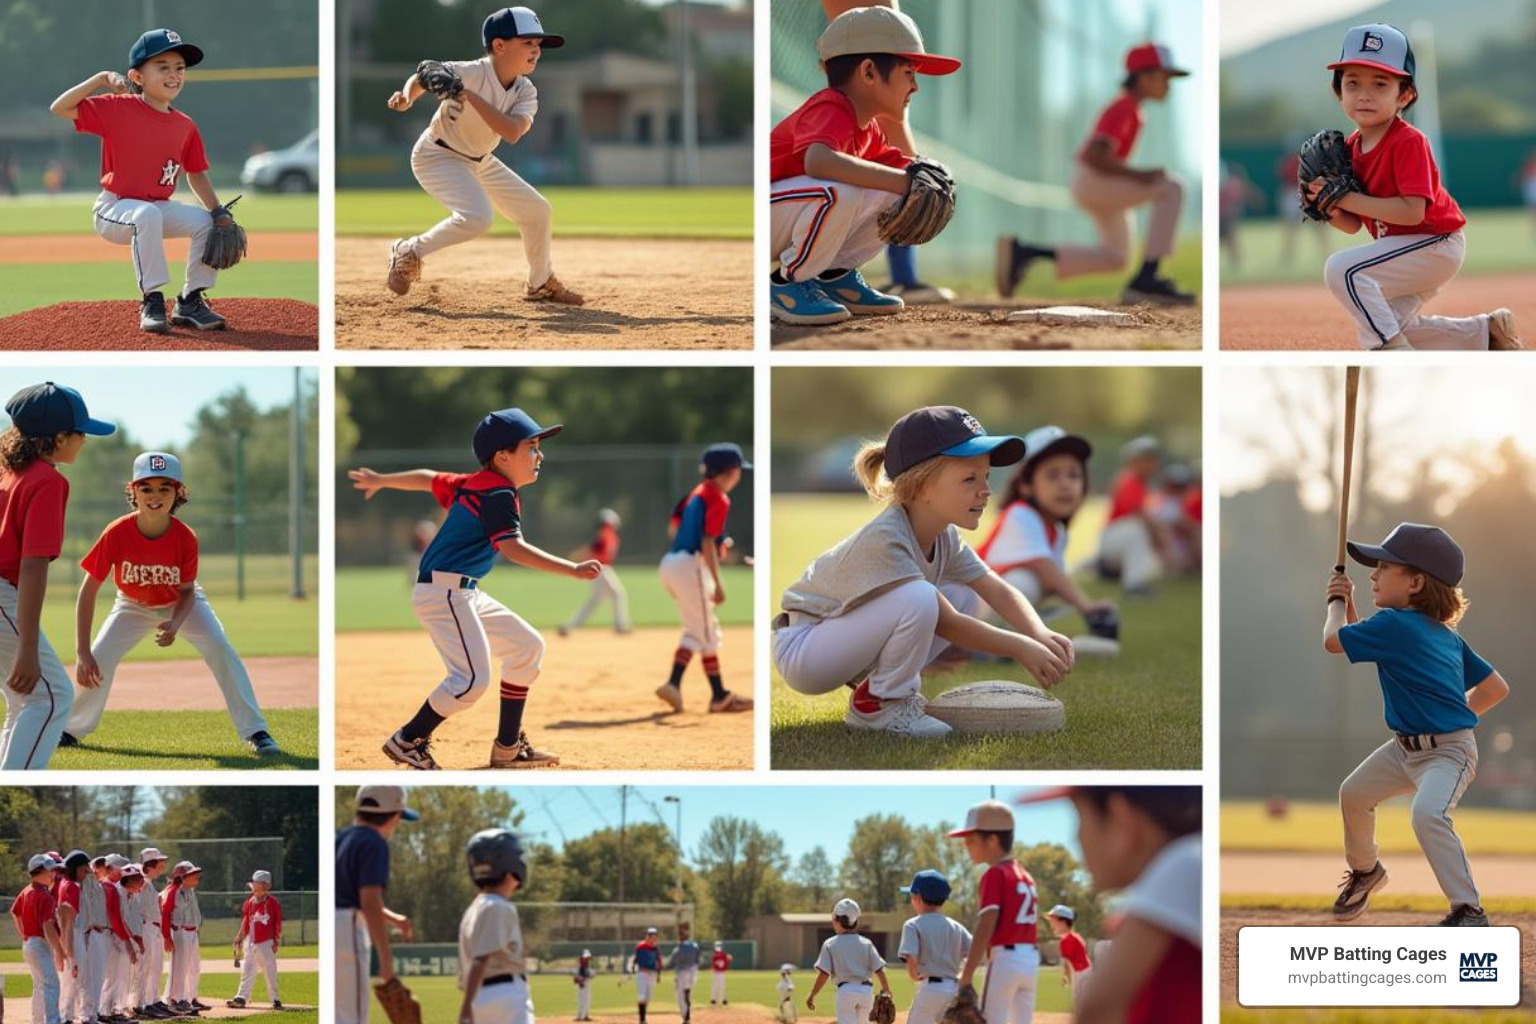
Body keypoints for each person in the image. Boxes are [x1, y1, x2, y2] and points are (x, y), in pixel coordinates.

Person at [775, 407, 1074, 737]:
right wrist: (1019, 646)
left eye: (986, 476)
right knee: (921, 597)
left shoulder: (944, 535)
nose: (985, 489)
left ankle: (883, 689)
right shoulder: (888, 536)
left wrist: (1038, 632)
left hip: (839, 642)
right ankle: (878, 706)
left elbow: (995, 588)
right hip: (805, 651)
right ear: (920, 488)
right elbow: (946, 621)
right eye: (969, 478)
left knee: (962, 594)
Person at [350, 407, 601, 770]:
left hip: (462, 592)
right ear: (502, 456)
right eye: (531, 446)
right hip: (445, 594)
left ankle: (508, 746)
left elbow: (427, 478)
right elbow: (513, 548)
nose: (539, 454)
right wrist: (572, 569)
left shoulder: (475, 483)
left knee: (526, 648)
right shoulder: (497, 492)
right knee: (470, 681)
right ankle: (408, 739)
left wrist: (383, 480)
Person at [1324, 523, 1509, 925]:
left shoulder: (1394, 626)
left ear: (1416, 582)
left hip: (1448, 752)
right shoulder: (1442, 634)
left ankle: (1469, 909)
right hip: (1405, 749)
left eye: (1384, 567)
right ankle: (1366, 872)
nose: (1373, 574)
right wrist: (1453, 716)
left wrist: (1336, 602)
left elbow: (1334, 640)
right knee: (1354, 793)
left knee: (1427, 814)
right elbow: (1495, 688)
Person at [1310, 23, 1520, 350]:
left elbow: (1411, 213)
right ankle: (1486, 333)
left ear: (1404, 95)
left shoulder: (1408, 141)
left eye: (1380, 83)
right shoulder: (1349, 148)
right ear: (1340, 92)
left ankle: (1391, 351)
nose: (1364, 94)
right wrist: (1329, 208)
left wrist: (1347, 198)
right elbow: (1352, 226)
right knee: (1381, 318)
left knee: (1342, 271)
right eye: (1353, 83)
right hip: (1408, 248)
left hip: (1434, 242)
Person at [62, 451, 279, 756]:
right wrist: (82, 651)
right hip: (131, 604)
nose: (155, 495)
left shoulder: (185, 538)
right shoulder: (116, 532)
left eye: (165, 487)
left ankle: (256, 730)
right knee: (98, 657)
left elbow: (188, 591)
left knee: (219, 646)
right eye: (146, 487)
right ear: (133, 490)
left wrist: (176, 624)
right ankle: (70, 729)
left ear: (178, 492)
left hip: (180, 602)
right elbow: (89, 590)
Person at [769, 6, 962, 325]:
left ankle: (835, 275)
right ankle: (785, 284)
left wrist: (932, 178)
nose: (915, 86)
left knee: (895, 195)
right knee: (841, 189)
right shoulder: (830, 107)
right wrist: (903, 181)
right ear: (869, 71)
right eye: (908, 73)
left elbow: (903, 173)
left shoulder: (868, 129)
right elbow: (817, 162)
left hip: (789, 213)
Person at [385, 7, 585, 307]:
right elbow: (423, 75)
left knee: (537, 211)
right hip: (436, 155)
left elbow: (513, 132)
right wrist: (406, 99)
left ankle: (540, 283)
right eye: (528, 43)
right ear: (499, 45)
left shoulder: (525, 91)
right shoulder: (470, 72)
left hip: (481, 160)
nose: (536, 50)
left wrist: (469, 97)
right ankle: (409, 250)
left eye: (538, 45)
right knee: (477, 217)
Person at [48, 29, 241, 332]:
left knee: (205, 222)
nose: (174, 75)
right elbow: (59, 107)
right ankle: (151, 298)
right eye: (162, 67)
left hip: (156, 208)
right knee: (146, 214)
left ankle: (190, 301)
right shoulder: (117, 108)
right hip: (115, 208)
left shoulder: (185, 125)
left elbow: (196, 173)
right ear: (136, 77)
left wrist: (218, 210)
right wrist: (100, 79)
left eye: (179, 68)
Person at [997, 44, 1193, 306]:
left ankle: (1025, 252)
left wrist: (1135, 176)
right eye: (1164, 77)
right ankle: (1148, 277)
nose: (1168, 85)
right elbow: (1094, 155)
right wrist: (1139, 175)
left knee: (1116, 257)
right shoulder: (1125, 107)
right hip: (1094, 181)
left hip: (1095, 182)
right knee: (1172, 187)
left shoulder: (1130, 108)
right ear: (1144, 76)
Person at [0, 382, 115, 769]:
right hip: (2, 594)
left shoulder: (8, 470)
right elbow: (32, 565)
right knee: (52, 698)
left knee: (25, 701)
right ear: (58, 437)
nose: (84, 439)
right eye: (79, 432)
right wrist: (28, 646)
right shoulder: (47, 481)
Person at [1019, 786, 1200, 1024]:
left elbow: (1096, 1011)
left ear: (1120, 816)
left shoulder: (1182, 863)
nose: (1077, 838)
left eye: (1082, 820)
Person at [978, 425, 1117, 633]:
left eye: (1074, 475)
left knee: (1052, 599)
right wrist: (1087, 607)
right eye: (1052, 475)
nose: (1065, 484)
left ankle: (1017, 637)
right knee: (1026, 580)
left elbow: (1057, 582)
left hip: (994, 609)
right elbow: (1046, 569)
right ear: (1026, 485)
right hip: (973, 607)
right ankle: (992, 641)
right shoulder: (1020, 514)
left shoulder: (1056, 531)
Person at [656, 444, 754, 715]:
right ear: (729, 472)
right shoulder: (719, 499)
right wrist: (718, 582)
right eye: (737, 472)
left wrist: (716, 542)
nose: (738, 477)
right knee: (706, 631)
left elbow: (675, 527)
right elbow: (707, 542)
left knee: (700, 628)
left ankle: (701, 690)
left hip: (671, 563)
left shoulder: (695, 494)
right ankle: (713, 694)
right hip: (691, 565)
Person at [337, 786, 418, 1024]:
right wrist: (386, 963)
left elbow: (351, 895)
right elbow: (369, 902)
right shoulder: (374, 842)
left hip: (335, 923)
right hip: (348, 929)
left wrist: (395, 920)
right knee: (352, 1016)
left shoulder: (339, 837)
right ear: (394, 817)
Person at [952, 802, 1039, 1024]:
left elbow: (987, 923)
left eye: (971, 839)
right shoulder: (1026, 875)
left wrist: (967, 974)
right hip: (1030, 961)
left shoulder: (995, 873)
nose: (966, 845)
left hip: (1005, 960)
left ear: (992, 840)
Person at [458, 829, 536, 1024]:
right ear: (511, 869)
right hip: (507, 996)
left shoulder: (474, 908)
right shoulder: (498, 906)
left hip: (480, 996)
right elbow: (480, 959)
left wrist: (470, 1003)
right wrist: (466, 1007)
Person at [1092, 436, 1166, 595]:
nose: (1150, 464)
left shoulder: (1142, 483)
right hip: (1114, 537)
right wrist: (1161, 532)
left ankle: (1110, 570)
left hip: (1119, 540)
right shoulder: (1129, 480)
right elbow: (1140, 514)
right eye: (1145, 460)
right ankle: (1134, 585)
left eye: (1151, 460)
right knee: (1137, 528)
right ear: (1133, 461)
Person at [897, 870, 971, 1024]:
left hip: (929, 989)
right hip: (953, 990)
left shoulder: (913, 924)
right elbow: (974, 952)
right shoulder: (957, 927)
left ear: (917, 898)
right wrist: (963, 976)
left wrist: (914, 975)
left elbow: (912, 958)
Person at [807, 898, 890, 1024]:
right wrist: (887, 992)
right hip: (866, 992)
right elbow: (879, 971)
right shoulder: (866, 943)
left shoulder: (830, 944)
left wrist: (812, 994)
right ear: (856, 922)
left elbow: (824, 973)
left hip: (845, 992)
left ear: (836, 920)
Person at [559, 509, 630, 636]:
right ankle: (620, 626)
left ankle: (569, 626)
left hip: (602, 569)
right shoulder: (606, 535)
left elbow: (591, 550)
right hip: (602, 569)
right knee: (617, 594)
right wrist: (580, 557)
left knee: (597, 600)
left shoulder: (605, 535)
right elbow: (594, 551)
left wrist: (578, 555)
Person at [15, 853, 67, 1024]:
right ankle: (53, 1021)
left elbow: (15, 913)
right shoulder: (45, 895)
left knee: (39, 986)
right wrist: (59, 950)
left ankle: (38, 1020)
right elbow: (47, 926)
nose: (54, 874)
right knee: (52, 985)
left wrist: (24, 934)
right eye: (50, 871)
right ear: (39, 871)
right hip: (40, 944)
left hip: (29, 943)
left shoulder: (26, 891)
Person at [227, 869, 283, 1008]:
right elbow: (246, 921)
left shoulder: (272, 902)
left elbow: (277, 922)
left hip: (266, 942)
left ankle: (275, 999)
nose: (255, 888)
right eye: (255, 885)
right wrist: (240, 935)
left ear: (266, 886)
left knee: (270, 971)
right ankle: (241, 997)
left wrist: (276, 940)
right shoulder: (250, 902)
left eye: (258, 885)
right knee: (247, 970)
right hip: (250, 942)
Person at [1045, 905, 1091, 1003]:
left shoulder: (1067, 940)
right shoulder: (1074, 936)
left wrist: (1066, 976)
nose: (1050, 921)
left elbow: (1067, 961)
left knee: (1080, 1005)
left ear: (1063, 922)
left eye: (1053, 919)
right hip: (1085, 973)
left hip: (1081, 975)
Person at [666, 921, 702, 1023]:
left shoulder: (678, 949)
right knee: (687, 995)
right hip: (693, 972)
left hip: (683, 974)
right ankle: (687, 1016)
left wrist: (662, 967)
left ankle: (686, 1018)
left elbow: (671, 963)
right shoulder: (695, 946)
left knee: (679, 997)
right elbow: (698, 960)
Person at [574, 948, 595, 1021]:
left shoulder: (586, 966)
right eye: (587, 958)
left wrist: (590, 976)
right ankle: (581, 1017)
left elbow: (589, 975)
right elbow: (576, 979)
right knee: (583, 1001)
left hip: (586, 985)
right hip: (582, 986)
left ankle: (585, 1015)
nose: (588, 959)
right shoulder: (580, 967)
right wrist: (581, 981)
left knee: (587, 1000)